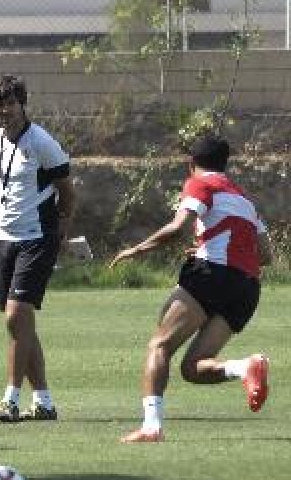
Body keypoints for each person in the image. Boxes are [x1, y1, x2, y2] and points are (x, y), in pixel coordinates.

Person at [110, 133, 271, 443]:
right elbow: (265, 255)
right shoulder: (245, 200)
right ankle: (245, 367)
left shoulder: (199, 183)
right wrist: (211, 247)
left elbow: (178, 227)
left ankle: (151, 427)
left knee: (159, 346)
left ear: (191, 164)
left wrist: (135, 250)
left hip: (212, 275)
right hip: (247, 288)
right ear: (226, 163)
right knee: (192, 369)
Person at [0, 74, 77, 423]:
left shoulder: (42, 142)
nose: (5, 110)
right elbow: (1, 189)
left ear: (23, 104)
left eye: (11, 103)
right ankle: (44, 401)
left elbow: (67, 192)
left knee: (15, 317)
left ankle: (10, 399)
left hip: (38, 237)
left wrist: (62, 232)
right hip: (4, 239)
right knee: (21, 324)